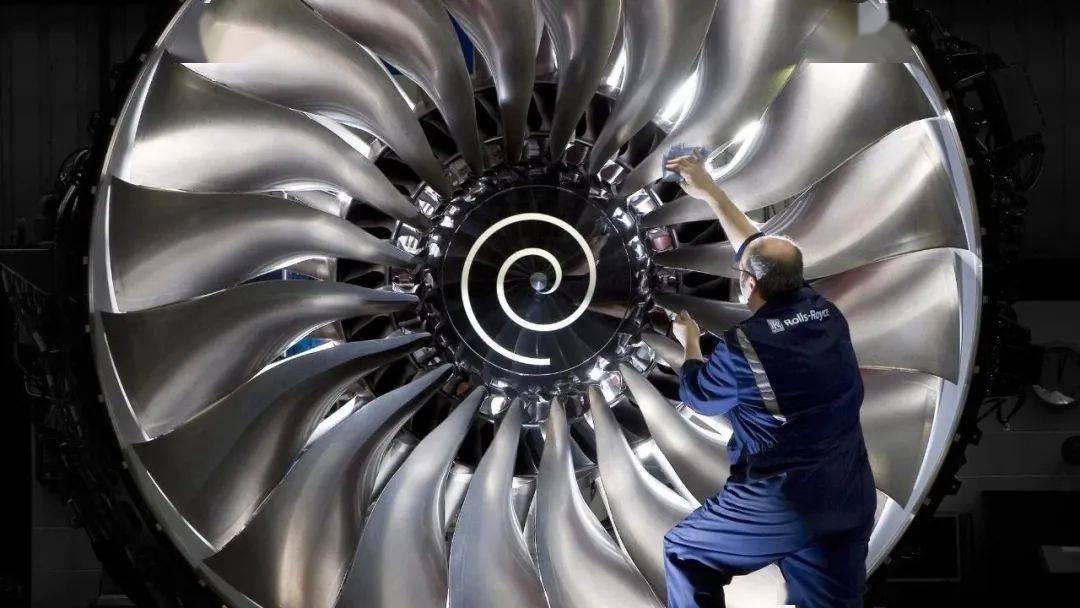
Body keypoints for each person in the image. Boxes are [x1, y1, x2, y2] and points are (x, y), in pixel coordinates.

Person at [660, 154, 876, 608]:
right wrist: (711, 192)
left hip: (785, 500)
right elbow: (755, 250)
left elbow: (698, 396)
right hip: (848, 495)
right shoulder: (825, 312)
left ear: (748, 285)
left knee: (684, 552)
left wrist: (689, 343)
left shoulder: (746, 346)